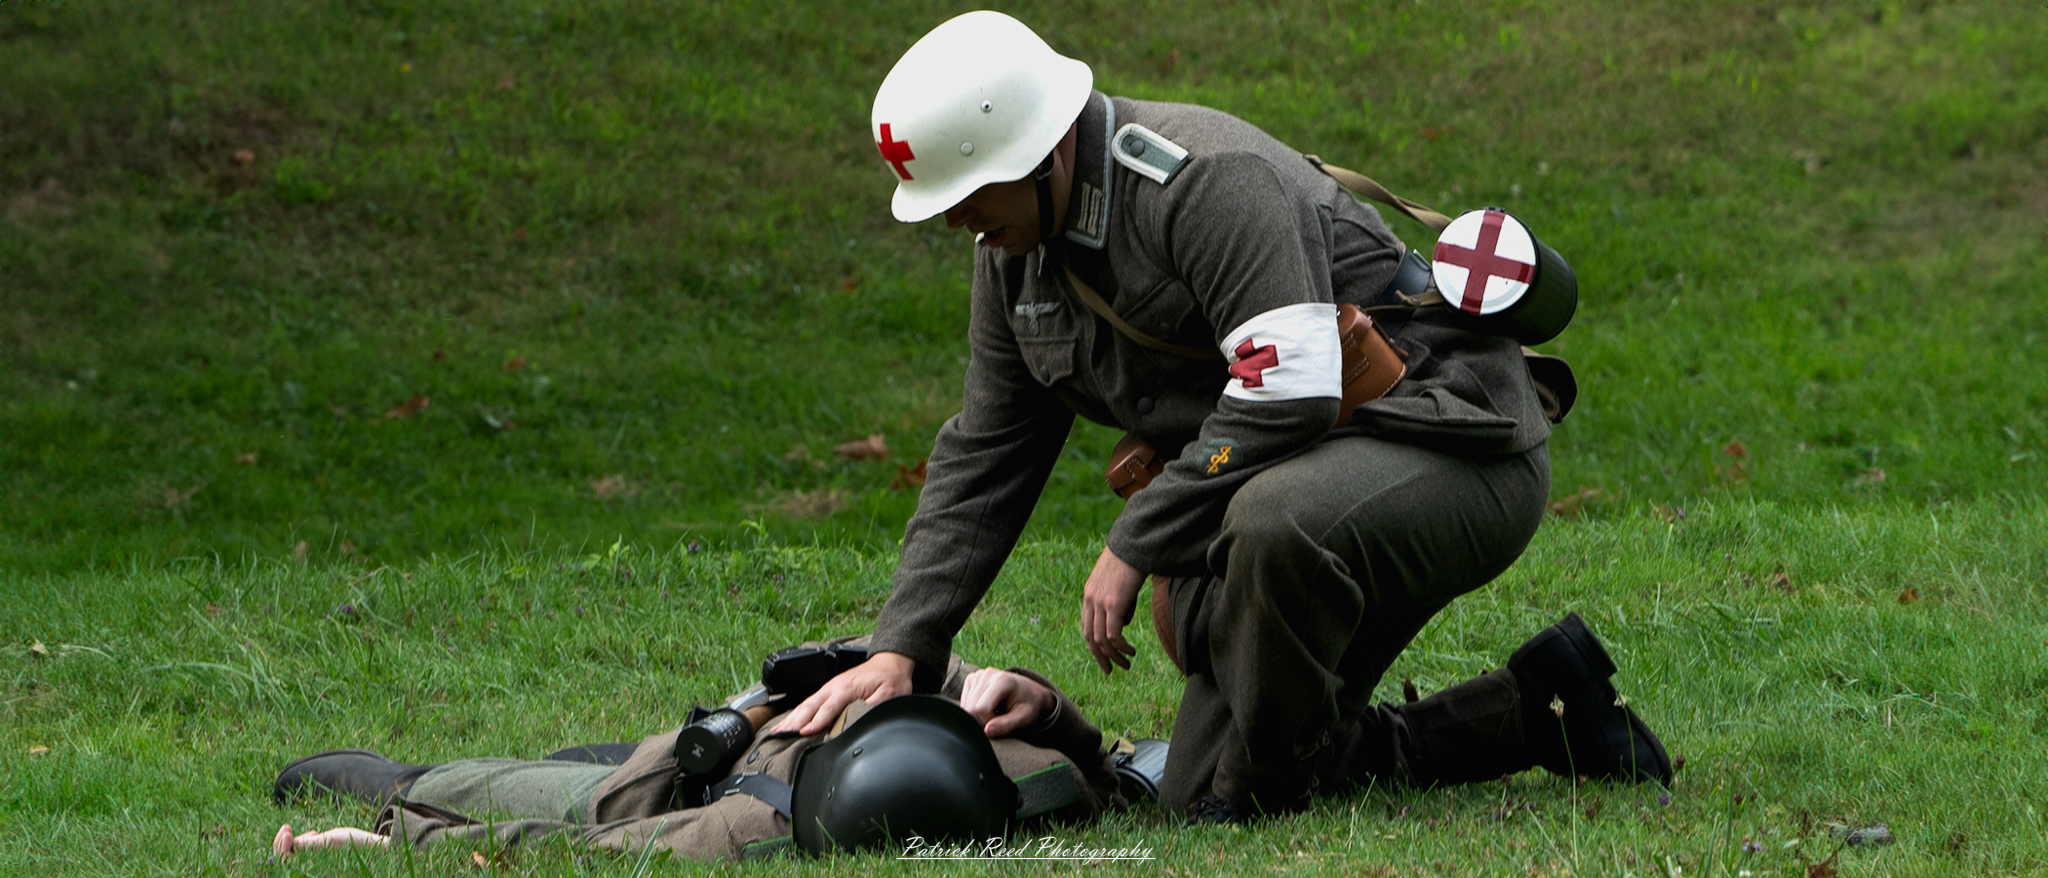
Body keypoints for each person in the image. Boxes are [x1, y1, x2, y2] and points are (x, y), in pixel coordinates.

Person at [775, 11, 1671, 822]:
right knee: (1191, 772)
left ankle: (1264, 801)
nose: (956, 224)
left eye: (967, 198)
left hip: (1451, 446)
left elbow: (1295, 390)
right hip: (1293, 476)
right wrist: (905, 647)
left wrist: (1135, 540)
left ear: (1042, 155)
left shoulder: (1201, 181)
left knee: (1270, 538)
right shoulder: (1013, 250)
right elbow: (988, 449)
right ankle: (1537, 714)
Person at [270, 640, 1139, 861]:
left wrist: (395, 834)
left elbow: (577, 855)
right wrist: (1037, 697)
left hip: (718, 796)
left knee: (548, 798)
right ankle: (601, 761)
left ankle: (399, 781)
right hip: (746, 741)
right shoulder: (1013, 752)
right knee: (622, 770)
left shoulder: (742, 837)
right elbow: (1115, 769)